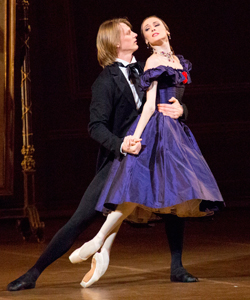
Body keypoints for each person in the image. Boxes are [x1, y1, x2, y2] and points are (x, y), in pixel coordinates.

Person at [7, 17, 187, 291]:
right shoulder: (105, 81)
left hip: (152, 150)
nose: (135, 35)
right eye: (128, 33)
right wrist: (121, 145)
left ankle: (177, 268)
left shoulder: (148, 66)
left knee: (171, 203)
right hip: (120, 158)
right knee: (82, 216)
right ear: (116, 43)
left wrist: (182, 110)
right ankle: (34, 272)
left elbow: (172, 100)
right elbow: (96, 127)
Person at [69, 15, 224, 288]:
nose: (151, 30)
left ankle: (103, 246)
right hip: (157, 131)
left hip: (176, 132)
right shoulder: (152, 62)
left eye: (155, 25)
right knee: (138, 188)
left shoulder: (179, 61)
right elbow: (150, 106)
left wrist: (181, 110)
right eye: (145, 29)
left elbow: (178, 99)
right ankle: (98, 242)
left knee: (162, 191)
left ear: (167, 29)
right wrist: (134, 138)